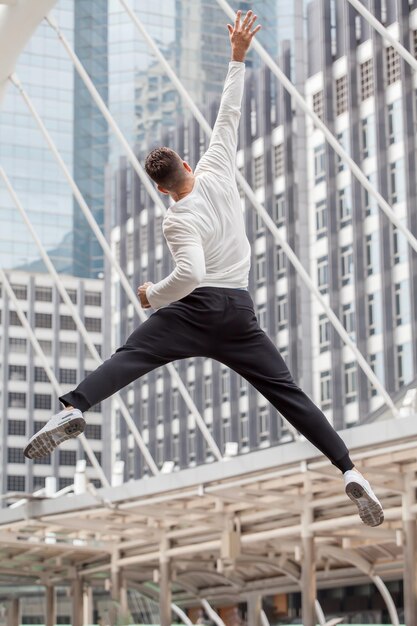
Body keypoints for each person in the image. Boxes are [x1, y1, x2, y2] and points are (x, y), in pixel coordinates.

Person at [24, 9, 383, 527]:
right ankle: (349, 469)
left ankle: (76, 406)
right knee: (288, 394)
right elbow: (229, 115)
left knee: (133, 353)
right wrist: (237, 56)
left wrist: (152, 296)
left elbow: (189, 274)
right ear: (186, 165)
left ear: (160, 187)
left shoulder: (176, 219)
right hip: (238, 310)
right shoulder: (216, 167)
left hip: (195, 308)